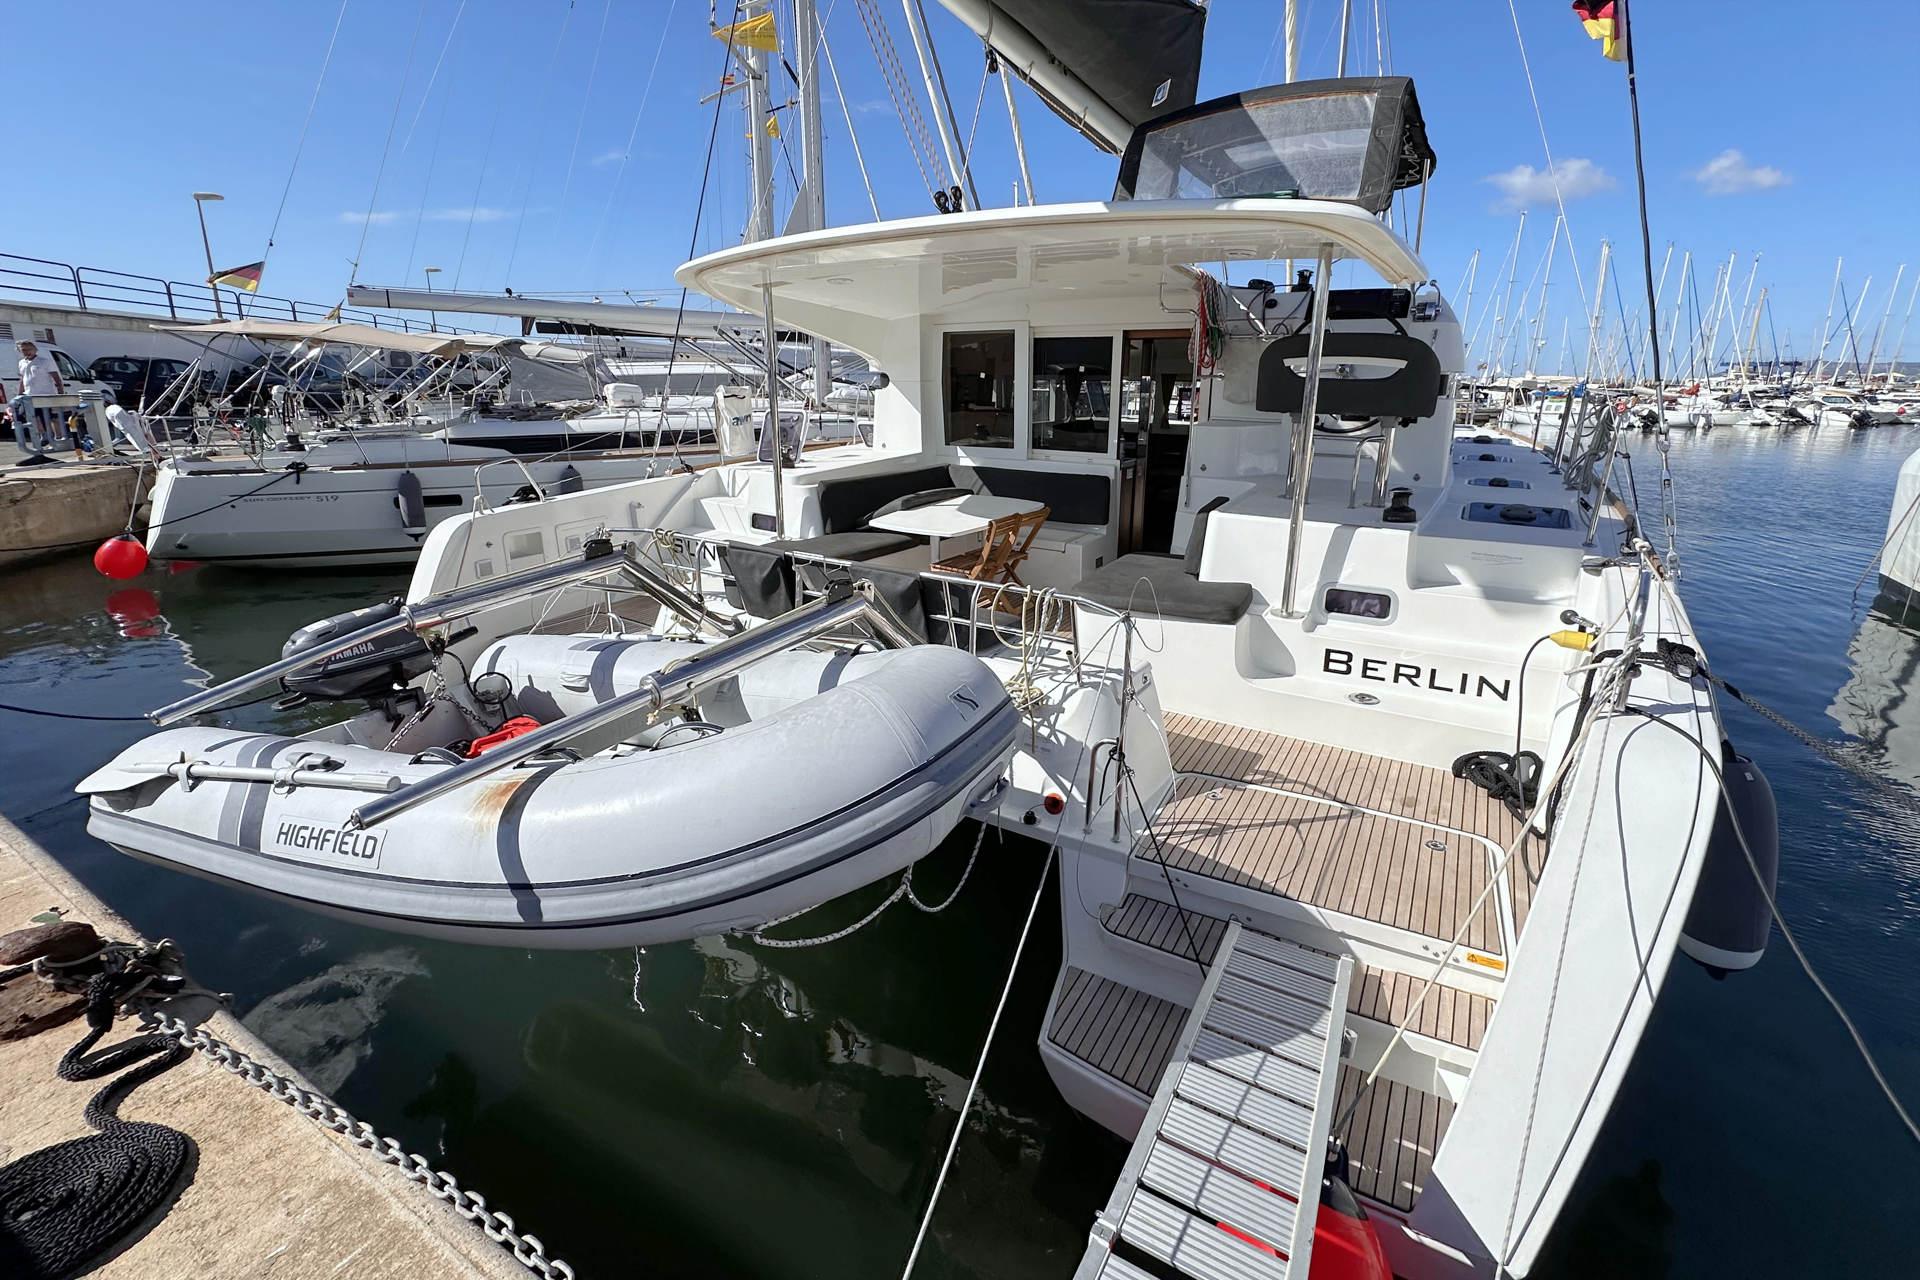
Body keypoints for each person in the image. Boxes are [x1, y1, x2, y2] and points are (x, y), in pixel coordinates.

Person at [15, 340, 63, 453]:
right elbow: (22, 379)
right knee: (33, 416)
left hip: (46, 394)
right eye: (23, 350)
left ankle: (59, 437)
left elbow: (56, 377)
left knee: (51, 417)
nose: (27, 352)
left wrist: (60, 391)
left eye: (29, 349)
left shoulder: (45, 362)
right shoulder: (22, 363)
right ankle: (44, 435)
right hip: (30, 395)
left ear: (35, 349)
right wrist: (19, 394)